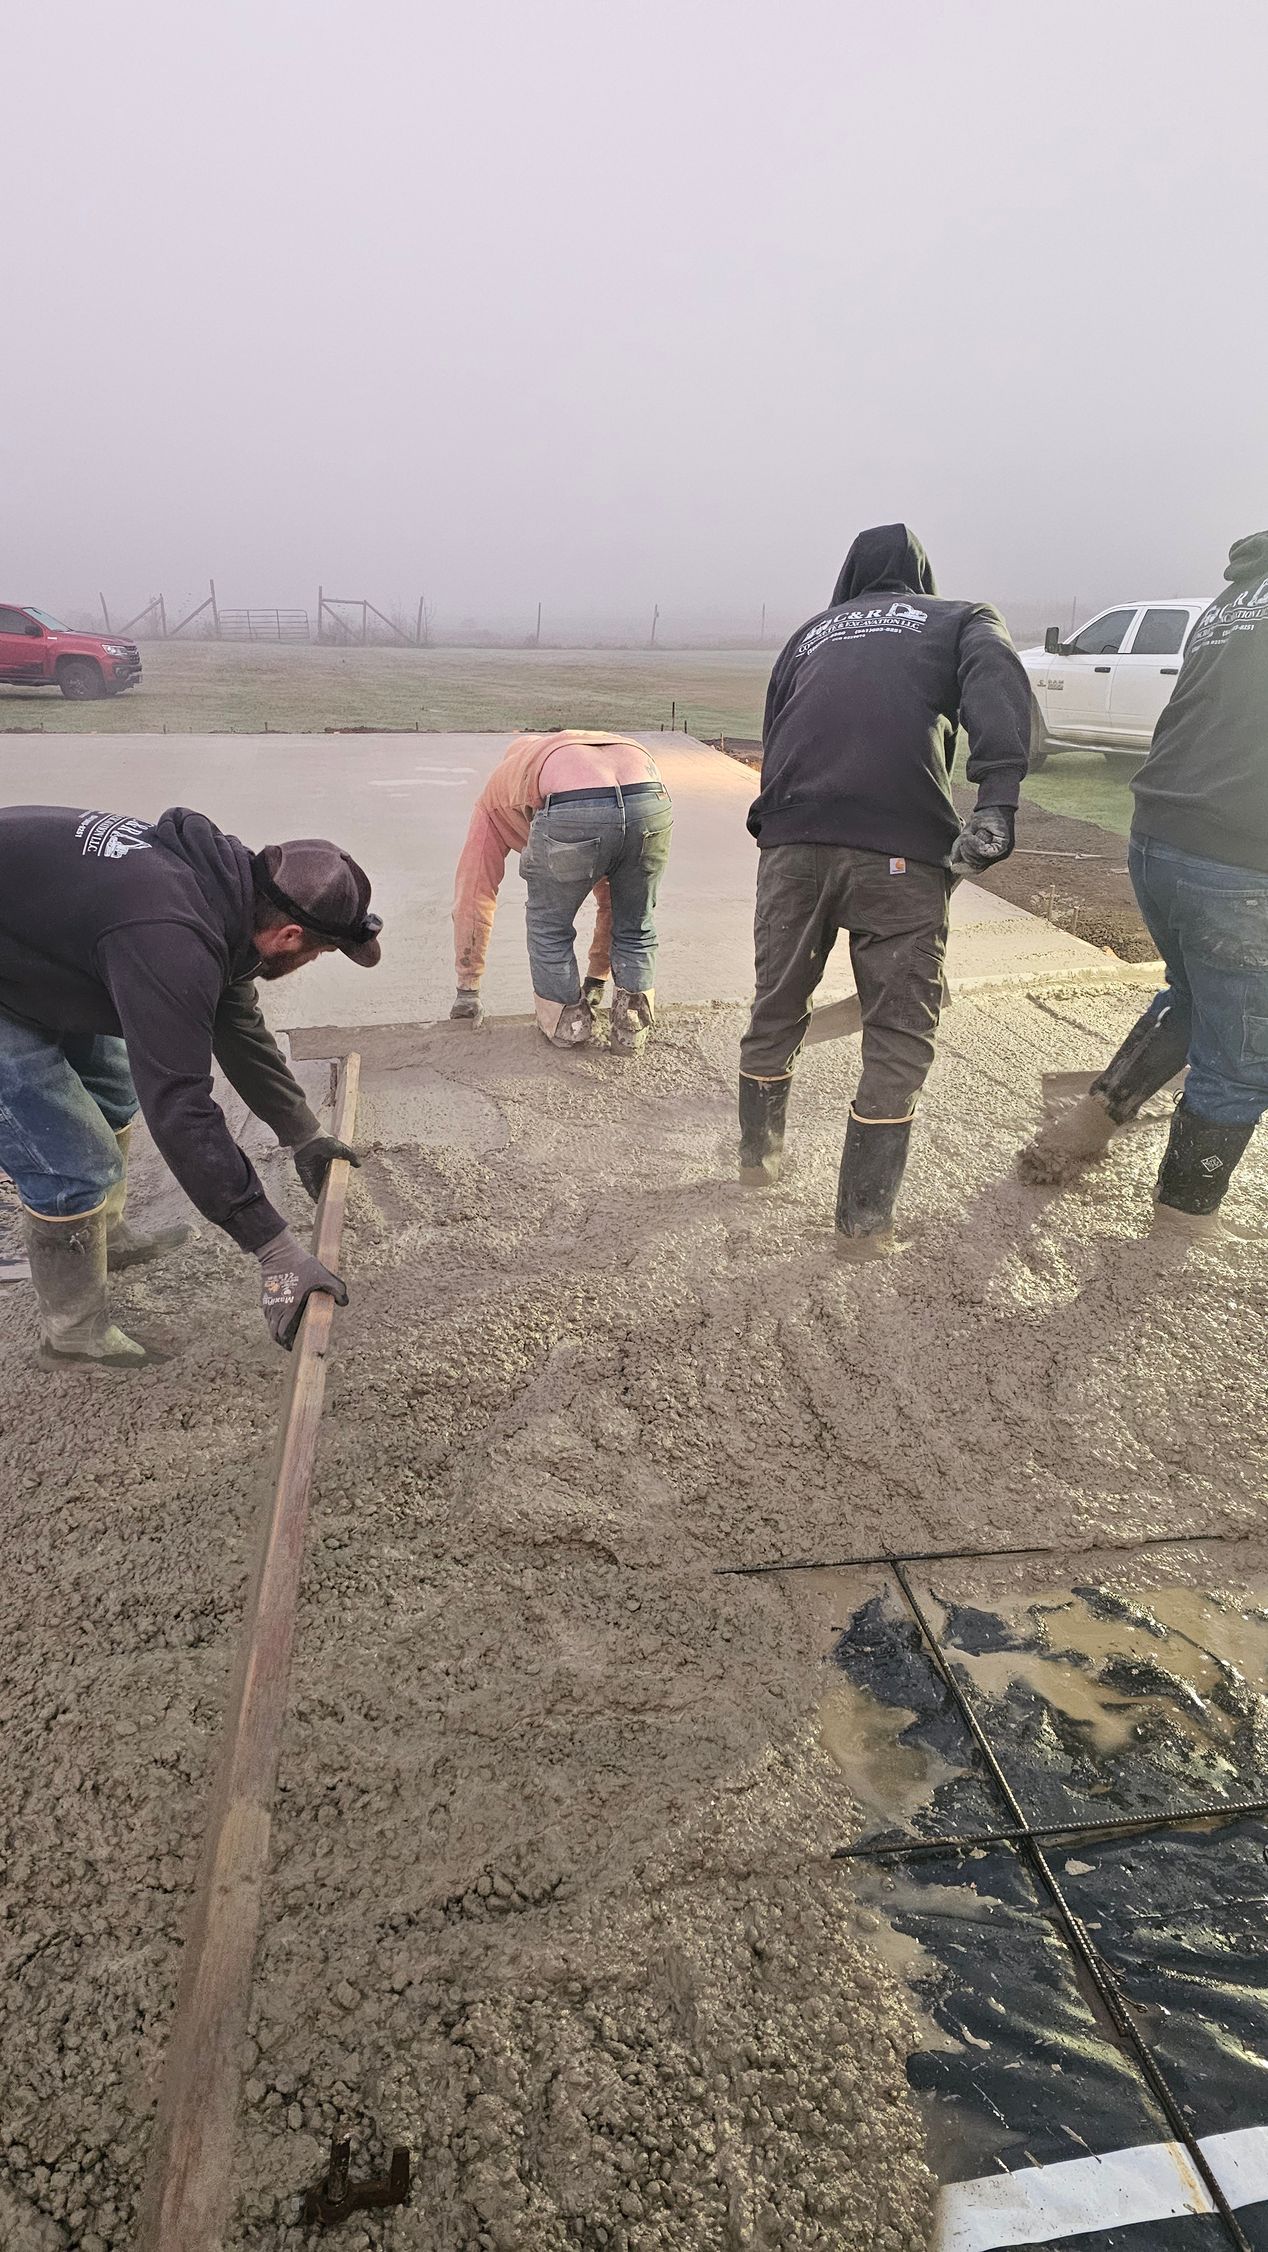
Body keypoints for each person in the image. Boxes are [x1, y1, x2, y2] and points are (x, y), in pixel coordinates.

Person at [738, 524, 1032, 1255]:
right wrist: (996, 797)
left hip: (792, 844)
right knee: (899, 1031)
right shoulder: (960, 618)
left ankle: (757, 1164)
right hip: (899, 850)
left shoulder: (810, 633)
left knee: (776, 1004)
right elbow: (996, 678)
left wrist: (776, 822)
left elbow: (777, 733)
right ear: (920, 576)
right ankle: (864, 1225)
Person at [0, 804, 381, 1367]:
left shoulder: (223, 893)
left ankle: (107, 1235)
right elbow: (181, 1107)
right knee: (71, 1160)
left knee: (113, 1087)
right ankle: (73, 1337)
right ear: (291, 933)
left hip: (32, 943)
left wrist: (303, 1133)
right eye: (321, 951)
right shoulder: (170, 936)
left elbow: (239, 1027)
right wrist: (272, 1246)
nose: (313, 960)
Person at [1019, 532, 1268, 1232]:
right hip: (1240, 858)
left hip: (1161, 837)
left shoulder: (1234, 598)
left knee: (1193, 995)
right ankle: (1184, 1221)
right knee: (1242, 1054)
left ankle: (1088, 1124)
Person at [450, 729, 673, 1055]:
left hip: (574, 803)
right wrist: (596, 978)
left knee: (549, 927)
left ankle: (568, 1024)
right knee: (636, 920)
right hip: (650, 794)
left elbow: (474, 894)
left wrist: (467, 990)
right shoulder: (569, 752)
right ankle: (631, 1025)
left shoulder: (496, 798)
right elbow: (610, 899)